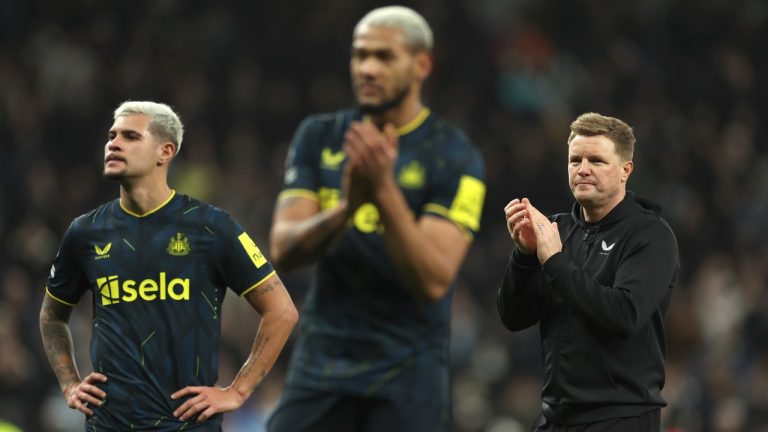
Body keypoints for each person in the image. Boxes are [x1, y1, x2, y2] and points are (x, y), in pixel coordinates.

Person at [266, 6, 485, 432]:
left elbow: (434, 279)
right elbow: (283, 250)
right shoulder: (320, 135)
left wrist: (384, 192)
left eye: (384, 57)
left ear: (422, 65)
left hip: (407, 375)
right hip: (322, 365)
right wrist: (349, 207)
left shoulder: (456, 156)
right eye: (359, 54)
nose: (367, 68)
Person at [39, 101, 298, 431]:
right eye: (111, 136)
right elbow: (52, 315)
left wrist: (238, 391)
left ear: (165, 151)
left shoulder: (211, 227)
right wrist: (69, 381)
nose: (114, 144)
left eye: (130, 136)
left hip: (187, 425)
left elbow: (282, 311)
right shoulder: (85, 232)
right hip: (109, 424)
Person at [498, 112, 679, 431]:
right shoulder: (558, 230)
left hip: (619, 417)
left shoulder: (650, 235)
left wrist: (554, 262)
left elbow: (624, 314)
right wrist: (525, 257)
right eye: (575, 160)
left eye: (596, 160)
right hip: (556, 417)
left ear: (626, 170)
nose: (582, 169)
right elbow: (514, 317)